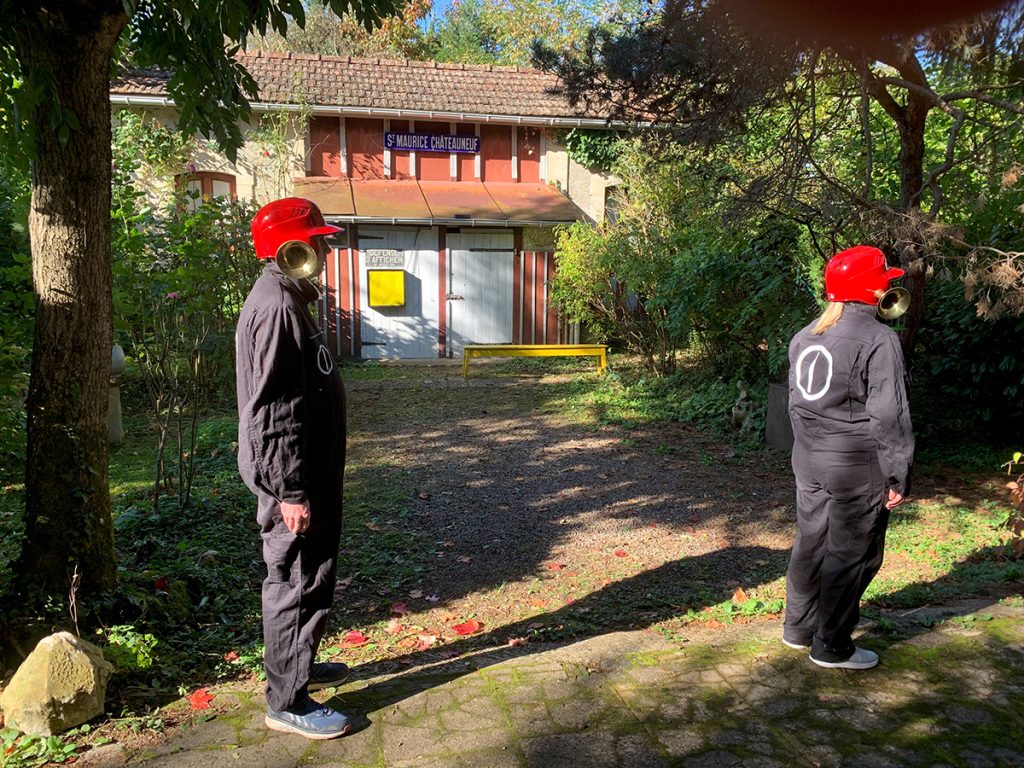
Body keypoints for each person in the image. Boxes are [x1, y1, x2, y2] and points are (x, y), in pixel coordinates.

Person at [236, 197, 351, 738]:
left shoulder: (286, 298)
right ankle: (287, 701)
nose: (325, 250)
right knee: (294, 580)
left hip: (308, 473)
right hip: (296, 479)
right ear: (288, 249)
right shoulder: (277, 307)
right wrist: (290, 491)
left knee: (311, 576)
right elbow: (273, 412)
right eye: (316, 242)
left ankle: (297, 667)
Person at [782, 245, 915, 670]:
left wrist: (809, 452)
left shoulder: (806, 335)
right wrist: (898, 475)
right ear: (869, 288)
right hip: (857, 467)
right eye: (884, 281)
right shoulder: (879, 339)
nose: (888, 287)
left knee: (811, 543)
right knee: (853, 553)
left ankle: (797, 629)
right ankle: (832, 646)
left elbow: (795, 405)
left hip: (809, 460)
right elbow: (890, 415)